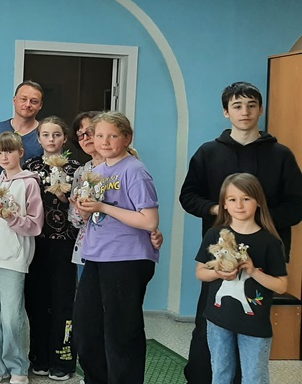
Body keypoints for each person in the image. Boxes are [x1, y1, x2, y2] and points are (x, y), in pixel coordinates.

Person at [180, 81, 302, 384]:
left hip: (265, 256)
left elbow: (296, 205)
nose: (244, 112)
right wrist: (218, 211)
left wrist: (258, 221)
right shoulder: (208, 152)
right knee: (210, 321)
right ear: (226, 112)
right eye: (237, 106)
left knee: (251, 322)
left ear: (260, 110)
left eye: (251, 105)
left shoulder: (281, 155)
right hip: (220, 255)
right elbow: (189, 196)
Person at [73, 112, 160, 383]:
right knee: (86, 330)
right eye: (99, 135)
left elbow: (149, 220)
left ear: (127, 138)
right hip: (96, 256)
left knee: (121, 334)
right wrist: (85, 209)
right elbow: (88, 217)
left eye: (112, 136)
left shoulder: (134, 170)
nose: (105, 141)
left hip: (127, 258)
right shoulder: (96, 173)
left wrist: (102, 207)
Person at [195, 173, 287, 384]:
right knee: (221, 374)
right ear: (224, 204)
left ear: (258, 202)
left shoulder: (270, 242)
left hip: (255, 325)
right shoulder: (214, 234)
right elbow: (200, 272)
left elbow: (282, 286)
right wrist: (218, 273)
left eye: (246, 198)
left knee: (255, 378)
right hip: (218, 321)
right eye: (232, 199)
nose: (239, 205)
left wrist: (253, 272)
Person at [0, 131, 44, 384]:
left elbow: (35, 224)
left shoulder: (29, 183)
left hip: (13, 256)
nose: (4, 156)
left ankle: (18, 367)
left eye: (9, 151)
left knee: (11, 317)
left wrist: (11, 217)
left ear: (20, 153)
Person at [22, 116, 81, 381]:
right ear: (38, 138)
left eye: (56, 134)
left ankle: (63, 360)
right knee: (36, 301)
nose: (51, 139)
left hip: (65, 243)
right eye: (45, 135)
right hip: (36, 243)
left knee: (63, 301)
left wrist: (64, 197)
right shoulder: (30, 167)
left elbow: (82, 206)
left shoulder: (77, 169)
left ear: (65, 138)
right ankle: (39, 357)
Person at [67, 111, 104, 265]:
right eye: (80, 135)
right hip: (86, 249)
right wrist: (82, 214)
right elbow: (73, 218)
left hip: (116, 248)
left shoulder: (120, 167)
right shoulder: (81, 172)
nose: (85, 138)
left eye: (89, 132)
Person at [0, 81, 45, 172]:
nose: (28, 104)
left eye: (34, 101)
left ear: (40, 105)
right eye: (23, 99)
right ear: (14, 100)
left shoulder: (46, 134)